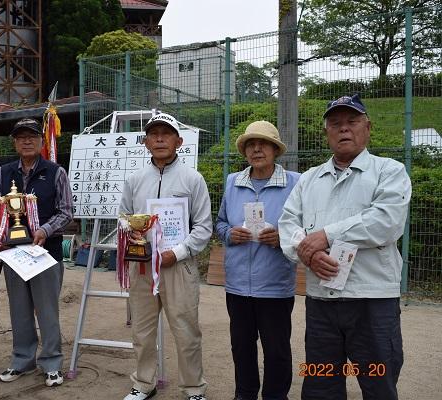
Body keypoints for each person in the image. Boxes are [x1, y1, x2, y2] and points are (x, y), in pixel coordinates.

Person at [278, 94, 411, 400]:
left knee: (378, 382)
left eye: (352, 122)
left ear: (368, 127)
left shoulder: (388, 171)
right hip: (321, 301)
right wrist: (309, 253)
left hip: (372, 300)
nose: (344, 129)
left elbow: (386, 221)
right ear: (326, 133)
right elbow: (288, 226)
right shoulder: (309, 179)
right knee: (320, 384)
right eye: (336, 124)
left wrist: (326, 235)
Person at [119, 113, 213, 400]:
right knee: (143, 332)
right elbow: (123, 217)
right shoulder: (135, 179)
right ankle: (144, 384)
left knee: (186, 331)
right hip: (143, 266)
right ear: (145, 142)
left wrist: (178, 252)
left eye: (166, 133)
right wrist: (133, 235)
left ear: (179, 141)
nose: (159, 138)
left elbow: (203, 226)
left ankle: (194, 389)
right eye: (154, 134)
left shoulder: (192, 178)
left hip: (178, 266)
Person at [215, 121, 299, 400]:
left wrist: (282, 237)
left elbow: (307, 228)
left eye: (263, 143)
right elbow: (221, 223)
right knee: (241, 347)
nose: (256, 149)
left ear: (276, 150)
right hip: (237, 285)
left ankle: (276, 396)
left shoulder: (295, 183)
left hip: (275, 285)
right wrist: (230, 234)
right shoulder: (233, 182)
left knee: (276, 349)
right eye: (251, 144)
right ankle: (245, 394)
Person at [0, 118, 73, 387]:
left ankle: (51, 363)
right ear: (14, 142)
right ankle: (22, 360)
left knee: (47, 310)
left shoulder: (55, 172)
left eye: (32, 136)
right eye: (21, 137)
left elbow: (66, 211)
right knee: (19, 309)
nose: (26, 141)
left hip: (46, 252)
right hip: (14, 253)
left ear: (41, 141)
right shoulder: (3, 173)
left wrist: (45, 230)